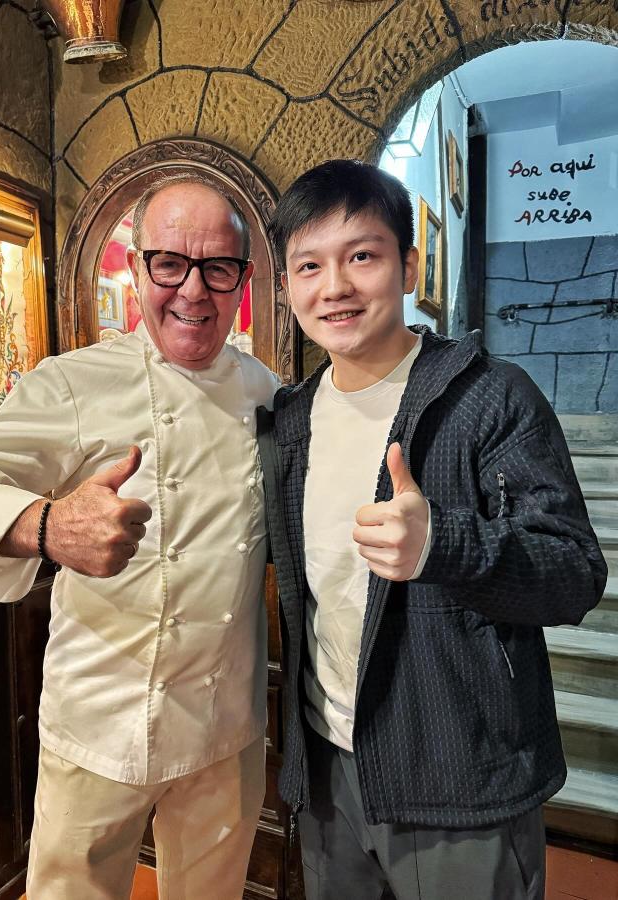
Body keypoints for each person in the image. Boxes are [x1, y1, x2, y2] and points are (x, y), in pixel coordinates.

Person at [0, 173, 281, 899]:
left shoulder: (268, 392)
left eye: (217, 268)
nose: (193, 290)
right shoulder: (76, 383)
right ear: (136, 268)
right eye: (169, 263)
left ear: (244, 279)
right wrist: (42, 526)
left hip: (224, 725)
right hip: (101, 720)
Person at [257, 159, 607, 900]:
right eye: (309, 265)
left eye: (362, 256)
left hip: (460, 776)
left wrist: (442, 544)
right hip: (328, 769)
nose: (335, 287)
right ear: (286, 286)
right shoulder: (290, 419)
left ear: (409, 266)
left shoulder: (490, 397)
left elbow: (574, 573)